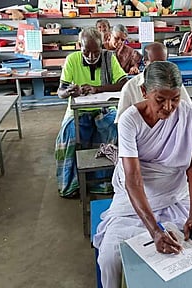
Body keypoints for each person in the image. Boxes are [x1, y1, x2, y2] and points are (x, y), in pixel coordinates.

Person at [93, 61, 192, 288]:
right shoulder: (129, 120)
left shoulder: (190, 116)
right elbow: (133, 180)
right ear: (144, 92)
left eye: (175, 99)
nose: (168, 107)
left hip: (177, 193)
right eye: (160, 100)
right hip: (136, 198)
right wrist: (155, 231)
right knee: (110, 258)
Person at [55, 27, 128, 198]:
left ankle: (103, 182)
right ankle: (70, 184)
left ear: (102, 46)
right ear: (79, 46)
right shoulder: (72, 60)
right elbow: (60, 91)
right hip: (78, 111)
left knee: (114, 127)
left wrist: (98, 89)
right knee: (69, 133)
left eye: (96, 52)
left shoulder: (109, 58)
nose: (91, 56)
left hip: (104, 108)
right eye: (86, 51)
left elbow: (124, 82)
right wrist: (69, 92)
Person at [115, 42, 192, 123]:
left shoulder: (173, 82)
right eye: (154, 64)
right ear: (145, 62)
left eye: (163, 63)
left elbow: (189, 112)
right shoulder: (130, 87)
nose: (158, 69)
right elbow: (121, 122)